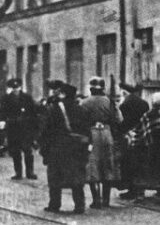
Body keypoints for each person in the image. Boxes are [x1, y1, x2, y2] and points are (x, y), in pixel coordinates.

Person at [40, 81, 90, 214]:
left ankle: (54, 205)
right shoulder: (81, 109)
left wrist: (44, 151)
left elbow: (46, 132)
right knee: (77, 177)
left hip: (57, 148)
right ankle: (79, 205)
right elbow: (87, 131)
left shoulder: (53, 109)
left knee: (55, 177)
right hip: (76, 148)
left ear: (63, 94)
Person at [80, 77, 122, 209]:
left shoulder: (84, 102)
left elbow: (80, 120)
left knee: (93, 165)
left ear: (91, 89)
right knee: (108, 164)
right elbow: (119, 119)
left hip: (91, 134)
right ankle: (106, 200)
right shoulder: (110, 102)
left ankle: (96, 200)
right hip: (107, 133)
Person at [129, 92, 160, 201]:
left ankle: (140, 194)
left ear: (153, 102)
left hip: (149, 147)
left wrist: (135, 143)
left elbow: (140, 130)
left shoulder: (148, 115)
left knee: (144, 169)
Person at [0, 78, 39, 180]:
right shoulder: (6, 99)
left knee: (28, 151)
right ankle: (18, 173)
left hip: (25, 128)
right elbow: (2, 112)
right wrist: (4, 121)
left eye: (16, 87)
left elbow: (33, 112)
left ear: (20, 87)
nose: (15, 90)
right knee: (15, 151)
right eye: (13, 88)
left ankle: (30, 172)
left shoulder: (27, 97)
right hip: (13, 128)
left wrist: (33, 126)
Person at [118, 83, 149, 199]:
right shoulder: (144, 103)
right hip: (142, 135)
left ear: (124, 92)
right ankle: (140, 189)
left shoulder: (124, 104)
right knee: (140, 164)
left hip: (128, 137)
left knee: (128, 164)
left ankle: (131, 189)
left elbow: (121, 122)